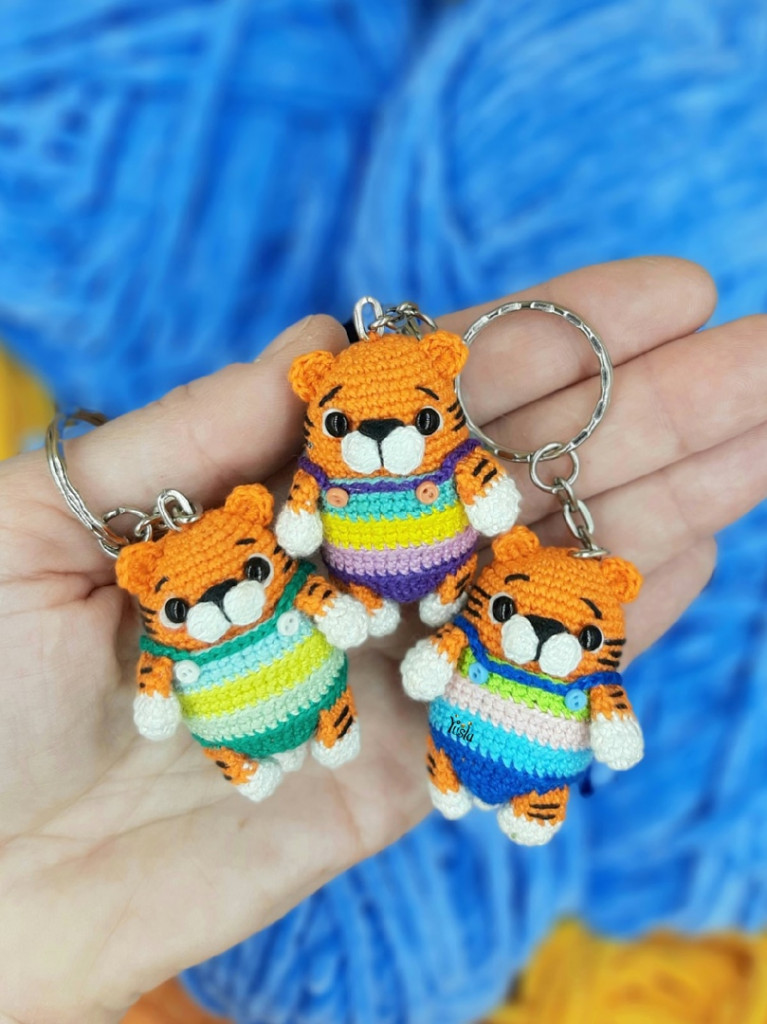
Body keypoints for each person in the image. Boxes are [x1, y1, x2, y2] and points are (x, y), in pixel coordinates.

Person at [1, 257, 765, 1024]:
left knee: (437, 632)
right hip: (356, 588)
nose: (377, 436)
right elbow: (295, 539)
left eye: (414, 423)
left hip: (445, 582)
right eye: (344, 425)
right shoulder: (296, 504)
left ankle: (505, 783)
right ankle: (316, 744)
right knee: (343, 664)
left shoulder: (463, 492)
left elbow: (470, 505)